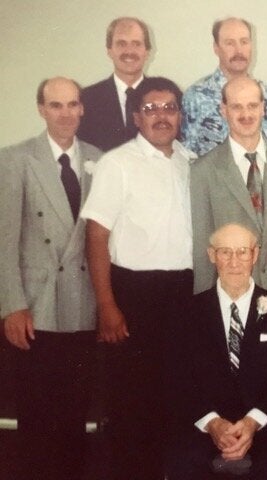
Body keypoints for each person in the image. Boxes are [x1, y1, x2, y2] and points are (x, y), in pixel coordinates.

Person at [81, 77, 196, 480]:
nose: (161, 116)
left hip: (184, 293)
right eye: (151, 109)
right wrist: (108, 306)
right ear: (136, 117)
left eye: (169, 108)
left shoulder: (190, 161)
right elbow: (96, 236)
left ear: (180, 115)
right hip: (134, 294)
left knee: (178, 399)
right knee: (133, 407)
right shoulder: (117, 162)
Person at [0, 77, 100, 480]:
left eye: (72, 104)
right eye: (55, 105)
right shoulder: (15, 158)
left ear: (82, 109)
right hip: (35, 307)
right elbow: (4, 238)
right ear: (41, 109)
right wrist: (12, 305)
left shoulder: (98, 158)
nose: (65, 113)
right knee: (38, 416)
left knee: (76, 415)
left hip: (82, 304)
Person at [168, 223, 267, 479]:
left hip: (264, 423)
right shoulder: (186, 312)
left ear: (255, 255)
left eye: (242, 252)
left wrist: (252, 422)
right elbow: (177, 379)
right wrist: (212, 423)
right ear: (211, 255)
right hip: (205, 425)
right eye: (224, 252)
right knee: (184, 461)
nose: (234, 262)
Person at [191, 76, 267, 314]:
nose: (246, 114)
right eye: (236, 107)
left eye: (252, 105)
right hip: (230, 298)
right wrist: (204, 311)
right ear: (223, 110)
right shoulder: (203, 170)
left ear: (264, 108)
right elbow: (204, 249)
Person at [182, 17, 267, 156]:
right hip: (213, 177)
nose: (239, 50)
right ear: (216, 48)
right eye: (230, 43)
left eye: (244, 42)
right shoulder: (196, 97)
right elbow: (188, 155)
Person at [78, 17, 151, 151]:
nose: (129, 51)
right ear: (109, 50)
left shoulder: (165, 99)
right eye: (121, 44)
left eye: (136, 44)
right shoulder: (86, 100)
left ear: (147, 52)